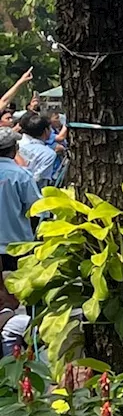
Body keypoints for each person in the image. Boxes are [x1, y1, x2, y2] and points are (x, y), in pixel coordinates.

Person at [0, 127, 39, 310]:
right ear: (14, 150)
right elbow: (36, 208)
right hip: (17, 244)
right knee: (25, 291)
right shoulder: (21, 175)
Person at [16, 112, 58, 188]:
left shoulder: (19, 145)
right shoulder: (49, 154)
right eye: (50, 128)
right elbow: (38, 178)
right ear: (46, 130)